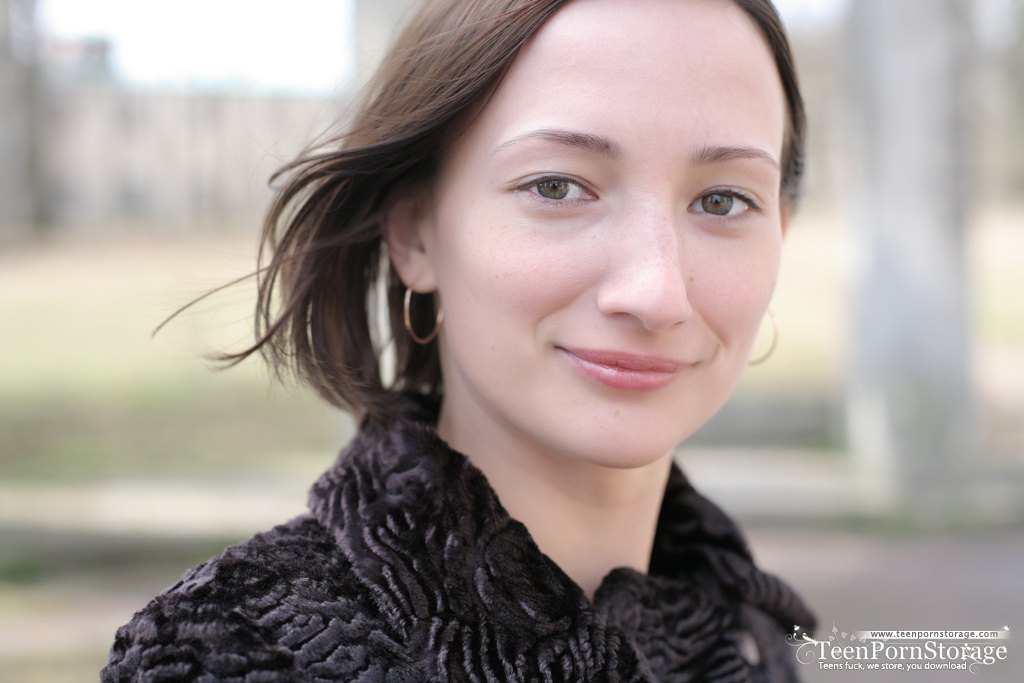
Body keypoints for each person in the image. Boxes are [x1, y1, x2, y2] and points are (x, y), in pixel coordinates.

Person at [103, 0, 816, 680]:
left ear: (780, 234)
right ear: (414, 231)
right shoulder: (225, 652)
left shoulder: (753, 637)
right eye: (557, 186)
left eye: (723, 200)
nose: (656, 292)